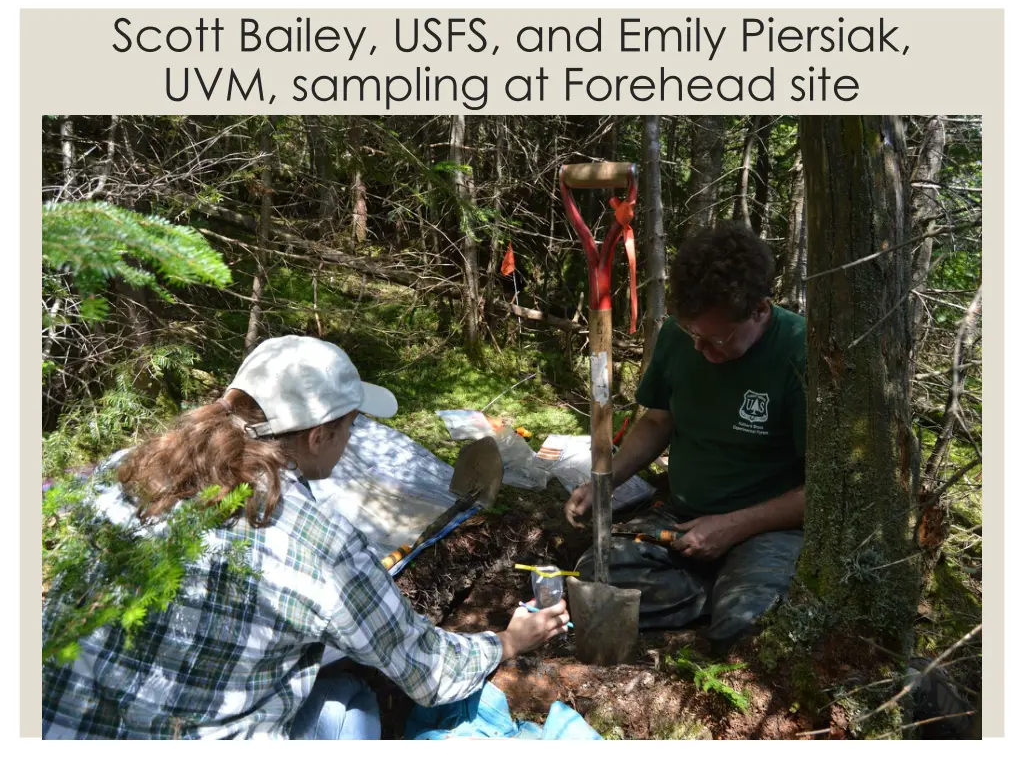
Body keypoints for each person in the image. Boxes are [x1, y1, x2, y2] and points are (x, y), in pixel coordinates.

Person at [43, 335, 570, 739]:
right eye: (350, 427)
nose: (350, 439)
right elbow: (427, 670)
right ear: (319, 435)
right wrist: (506, 640)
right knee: (346, 703)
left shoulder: (130, 471)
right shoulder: (316, 543)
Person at [565, 222, 806, 656]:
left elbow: (823, 490)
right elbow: (658, 420)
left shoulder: (799, 353)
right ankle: (713, 587)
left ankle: (736, 590)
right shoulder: (682, 336)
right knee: (595, 576)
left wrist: (733, 527)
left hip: (765, 530)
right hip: (683, 521)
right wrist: (606, 481)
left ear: (759, 310)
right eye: (692, 333)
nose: (700, 349)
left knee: (747, 627)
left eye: (716, 338)